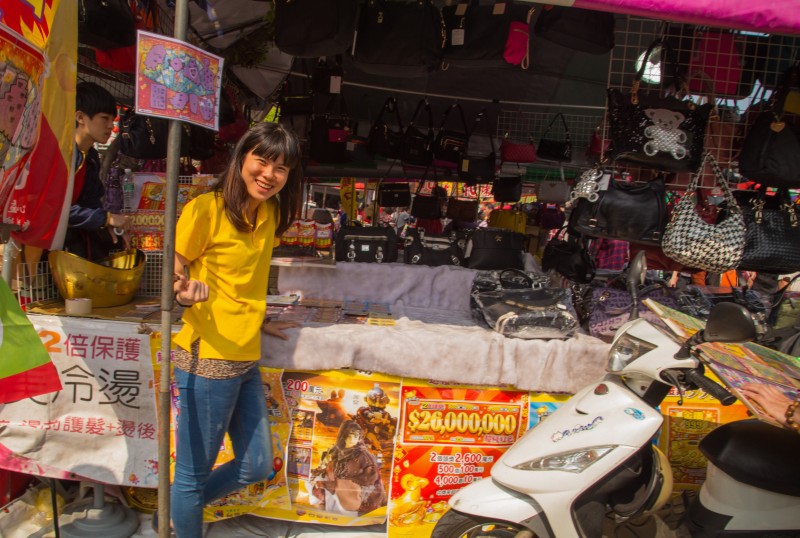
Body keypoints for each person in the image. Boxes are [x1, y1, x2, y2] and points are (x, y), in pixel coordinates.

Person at [169, 122, 304, 536]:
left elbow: (244, 279)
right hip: (205, 356)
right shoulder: (206, 209)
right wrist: (184, 293)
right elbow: (172, 272)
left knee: (256, 464)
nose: (269, 174)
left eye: (280, 168)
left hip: (245, 355)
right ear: (241, 159)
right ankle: (182, 509)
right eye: (261, 161)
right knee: (192, 476)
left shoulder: (270, 212)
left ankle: (180, 506)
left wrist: (259, 315)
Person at [65, 82, 131, 260]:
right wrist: (105, 218)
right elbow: (55, 209)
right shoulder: (61, 154)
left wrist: (107, 224)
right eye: (104, 118)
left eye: (112, 119)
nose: (111, 125)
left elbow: (92, 201)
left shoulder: (91, 157)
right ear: (80, 117)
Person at [310, 420, 387, 515]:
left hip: (362, 498)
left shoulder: (362, 455)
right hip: (339, 495)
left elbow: (371, 478)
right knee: (317, 479)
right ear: (344, 435)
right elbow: (324, 469)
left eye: (357, 436)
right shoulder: (335, 451)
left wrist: (338, 484)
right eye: (352, 435)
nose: (355, 438)